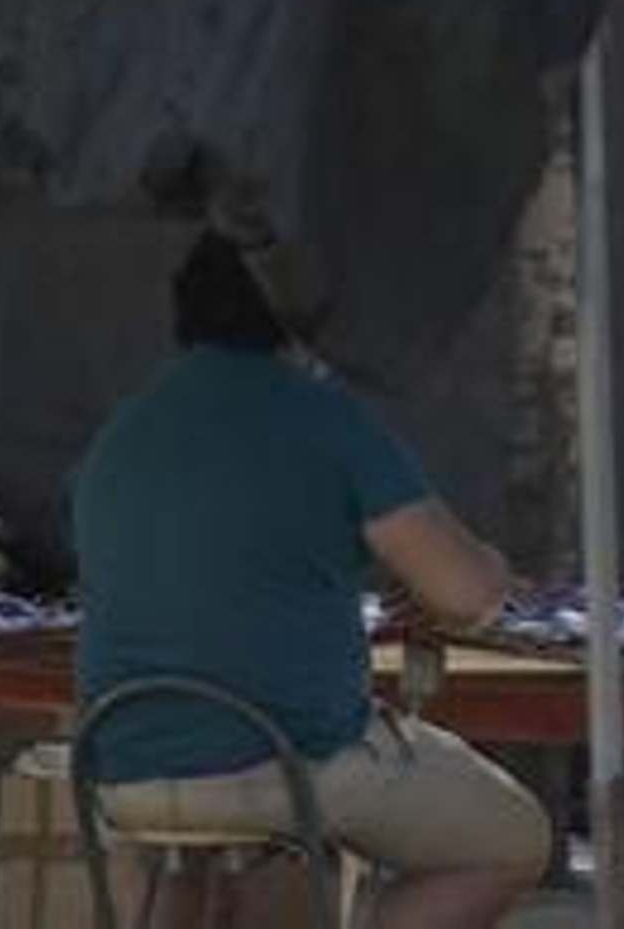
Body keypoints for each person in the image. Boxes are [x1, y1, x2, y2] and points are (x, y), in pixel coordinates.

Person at [73, 226, 550, 927]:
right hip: (280, 759)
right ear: (309, 320)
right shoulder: (325, 417)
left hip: (119, 766)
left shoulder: (121, 430)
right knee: (511, 838)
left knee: (187, 856)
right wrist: (494, 569)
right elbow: (467, 594)